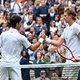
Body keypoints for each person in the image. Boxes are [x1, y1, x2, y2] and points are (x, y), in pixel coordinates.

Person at [0, 15, 45, 80]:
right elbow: (33, 48)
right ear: (17, 23)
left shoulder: (3, 34)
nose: (21, 24)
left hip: (3, 63)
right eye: (20, 23)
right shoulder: (20, 37)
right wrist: (41, 39)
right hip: (14, 63)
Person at [46, 7, 80, 80]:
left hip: (75, 60)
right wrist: (46, 39)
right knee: (64, 78)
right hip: (69, 59)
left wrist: (79, 57)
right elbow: (58, 43)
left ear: (71, 16)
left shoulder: (76, 27)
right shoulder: (66, 29)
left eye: (65, 15)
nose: (64, 18)